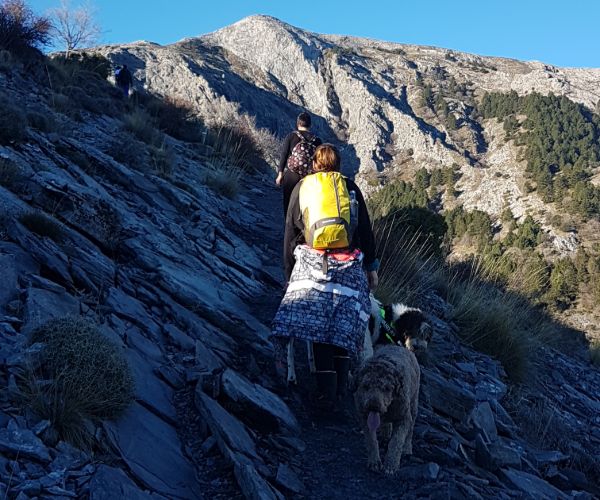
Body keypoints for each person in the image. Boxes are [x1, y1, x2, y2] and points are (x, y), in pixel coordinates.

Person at [271, 143, 379, 405]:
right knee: (341, 326)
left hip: (314, 264)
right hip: (349, 265)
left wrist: (289, 271)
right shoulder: (350, 187)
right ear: (338, 165)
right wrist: (372, 268)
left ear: (315, 164)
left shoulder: (303, 187)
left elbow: (290, 232)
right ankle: (342, 389)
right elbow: (365, 229)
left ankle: (326, 394)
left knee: (319, 329)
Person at [275, 112, 322, 219]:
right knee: (309, 204)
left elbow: (284, 155)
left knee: (288, 202)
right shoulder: (317, 140)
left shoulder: (291, 136)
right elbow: (320, 161)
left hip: (292, 175)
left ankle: (288, 226)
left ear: (298, 124)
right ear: (310, 125)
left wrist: (280, 174)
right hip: (310, 177)